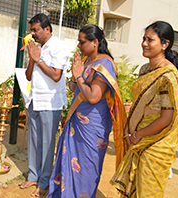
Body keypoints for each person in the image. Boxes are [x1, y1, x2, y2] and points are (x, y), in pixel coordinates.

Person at [47, 24, 127, 198]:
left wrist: (80, 76)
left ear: (95, 42)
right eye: (78, 42)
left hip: (93, 128)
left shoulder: (105, 64)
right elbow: (74, 87)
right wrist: (74, 77)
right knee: (69, 162)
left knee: (87, 169)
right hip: (76, 121)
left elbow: (92, 96)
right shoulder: (86, 61)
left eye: (82, 42)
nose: (79, 46)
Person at [110, 21, 178, 197]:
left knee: (147, 192)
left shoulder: (168, 76)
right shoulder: (145, 69)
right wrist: (130, 131)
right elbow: (139, 105)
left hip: (156, 143)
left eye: (150, 40)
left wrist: (137, 135)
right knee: (133, 187)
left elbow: (166, 119)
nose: (144, 43)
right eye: (144, 39)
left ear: (165, 44)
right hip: (137, 138)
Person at [18, 13, 69, 197]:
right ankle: (33, 175)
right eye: (31, 30)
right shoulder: (36, 48)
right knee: (34, 141)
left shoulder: (59, 47)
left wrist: (38, 59)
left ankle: (44, 182)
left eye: (35, 30)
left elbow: (56, 75)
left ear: (47, 29)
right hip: (35, 100)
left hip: (50, 103)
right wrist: (32, 58)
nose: (32, 34)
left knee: (47, 144)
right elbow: (29, 76)